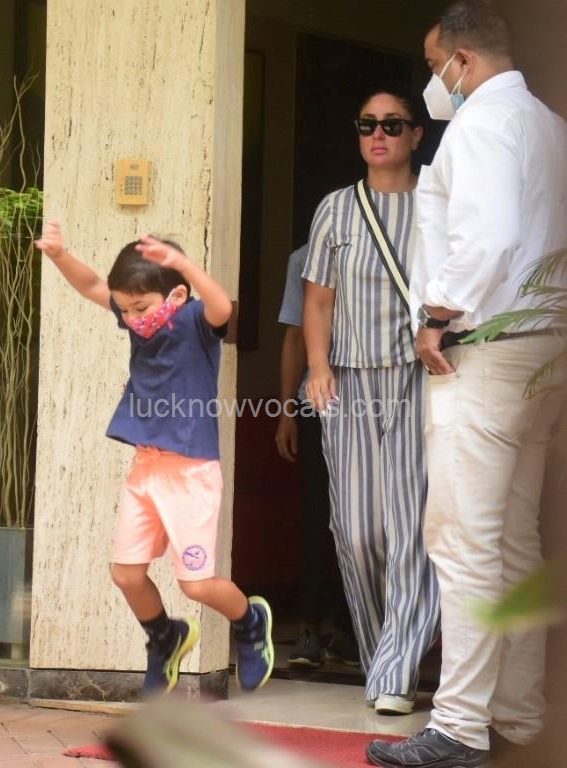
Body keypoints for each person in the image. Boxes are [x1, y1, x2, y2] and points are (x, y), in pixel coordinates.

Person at [367, 2, 567, 767]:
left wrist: (436, 314)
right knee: (515, 541)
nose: (433, 81)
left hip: (482, 349)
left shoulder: (481, 124)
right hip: (540, 350)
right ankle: (517, 714)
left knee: (464, 542)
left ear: (463, 60)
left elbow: (487, 236)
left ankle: (457, 728)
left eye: (432, 65)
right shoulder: (548, 125)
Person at [36, 222, 275, 696]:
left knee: (196, 585)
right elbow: (92, 285)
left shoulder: (195, 321)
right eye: (124, 309)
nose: (131, 318)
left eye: (140, 308)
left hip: (191, 473)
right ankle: (166, 636)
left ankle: (250, 620)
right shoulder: (135, 319)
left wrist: (184, 263)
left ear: (177, 295)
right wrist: (60, 255)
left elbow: (223, 306)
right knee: (126, 573)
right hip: (146, 467)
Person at [303, 91, 440, 714]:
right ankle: (387, 652)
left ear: (416, 134)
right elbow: (318, 300)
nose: (377, 134)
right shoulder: (336, 208)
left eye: (391, 124)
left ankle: (395, 673)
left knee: (410, 528)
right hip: (349, 381)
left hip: (419, 378)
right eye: (367, 125)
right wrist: (317, 368)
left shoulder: (438, 199)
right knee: (357, 530)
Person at [275, 243, 359, 668]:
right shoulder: (302, 259)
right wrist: (286, 412)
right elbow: (294, 337)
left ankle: (351, 629)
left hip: (375, 401)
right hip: (317, 403)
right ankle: (308, 627)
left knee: (365, 518)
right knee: (316, 515)